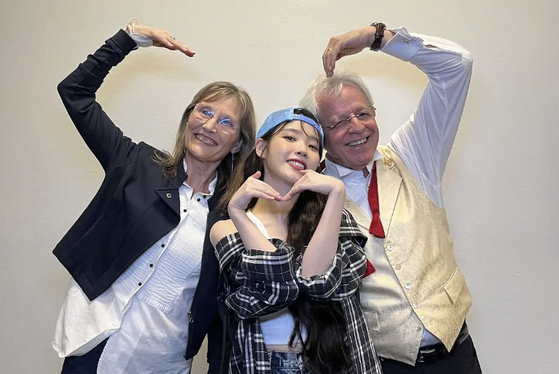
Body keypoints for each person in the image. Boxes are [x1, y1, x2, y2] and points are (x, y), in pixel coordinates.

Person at [51, 19, 256, 374]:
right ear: (188, 117)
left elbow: (226, 309)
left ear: (238, 142)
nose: (209, 126)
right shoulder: (136, 163)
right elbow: (75, 92)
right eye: (204, 111)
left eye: (226, 122)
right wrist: (127, 40)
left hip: (161, 361)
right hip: (92, 344)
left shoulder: (233, 216)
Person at [300, 23, 482, 373]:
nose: (357, 127)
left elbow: (457, 66)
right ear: (319, 135)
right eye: (339, 122)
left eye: (363, 114)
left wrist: (376, 36)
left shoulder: (414, 155)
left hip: (457, 355)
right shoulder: (311, 194)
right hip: (379, 363)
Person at [210, 107, 382, 374]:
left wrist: (337, 193)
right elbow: (277, 289)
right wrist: (238, 213)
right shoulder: (227, 228)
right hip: (263, 365)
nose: (303, 149)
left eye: (313, 146)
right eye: (290, 138)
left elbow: (319, 283)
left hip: (336, 364)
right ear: (261, 148)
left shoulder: (336, 219)